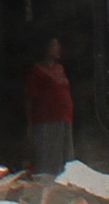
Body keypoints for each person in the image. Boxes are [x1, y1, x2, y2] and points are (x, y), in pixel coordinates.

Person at [22, 38, 77, 180]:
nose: (57, 48)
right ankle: (47, 183)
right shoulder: (37, 71)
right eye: (53, 45)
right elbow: (30, 98)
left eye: (58, 45)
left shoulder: (60, 69)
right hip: (46, 118)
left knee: (64, 152)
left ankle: (63, 181)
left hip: (64, 116)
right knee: (48, 153)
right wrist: (30, 124)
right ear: (45, 48)